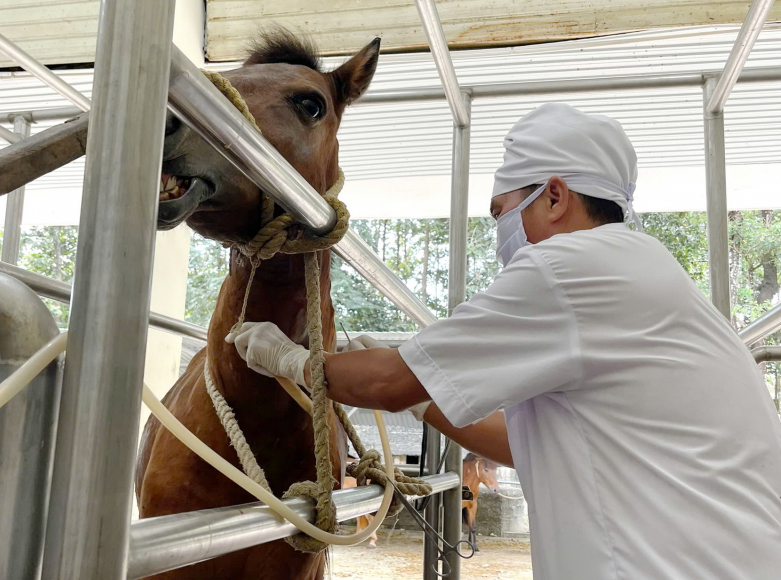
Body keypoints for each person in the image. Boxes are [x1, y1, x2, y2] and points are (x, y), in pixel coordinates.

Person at [226, 103, 781, 579]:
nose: (500, 234)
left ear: (554, 196)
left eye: (502, 212)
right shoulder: (639, 268)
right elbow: (520, 444)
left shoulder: (568, 267)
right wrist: (424, 396)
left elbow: (388, 382)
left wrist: (292, 359)